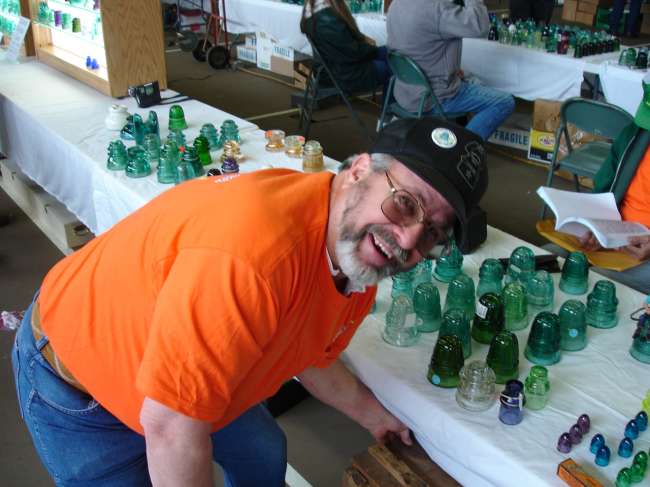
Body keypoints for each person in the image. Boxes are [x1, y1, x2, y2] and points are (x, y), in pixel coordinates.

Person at [12, 118, 488, 486]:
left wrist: (373, 415)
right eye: (405, 203)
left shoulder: (355, 257)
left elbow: (310, 352)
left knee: (262, 451)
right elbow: (171, 430)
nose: (408, 240)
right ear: (359, 170)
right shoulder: (252, 257)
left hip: (185, 382)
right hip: (80, 380)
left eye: (433, 233)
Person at [387, 0, 515, 141]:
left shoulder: (396, 4)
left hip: (405, 92)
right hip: (433, 97)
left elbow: (415, 48)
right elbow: (480, 25)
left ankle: (454, 135)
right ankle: (461, 147)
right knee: (504, 102)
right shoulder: (436, 8)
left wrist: (450, 68)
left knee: (473, 78)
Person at [573, 75, 650, 294]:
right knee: (548, 259)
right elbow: (605, 185)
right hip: (616, 236)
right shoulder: (636, 135)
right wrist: (597, 224)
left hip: (642, 253)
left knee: (595, 285)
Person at [300, 0, 391, 97]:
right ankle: (391, 106)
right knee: (394, 67)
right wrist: (373, 49)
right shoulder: (327, 18)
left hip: (337, 68)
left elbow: (344, 43)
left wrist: (365, 41)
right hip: (344, 75)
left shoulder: (313, 10)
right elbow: (354, 51)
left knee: (389, 52)